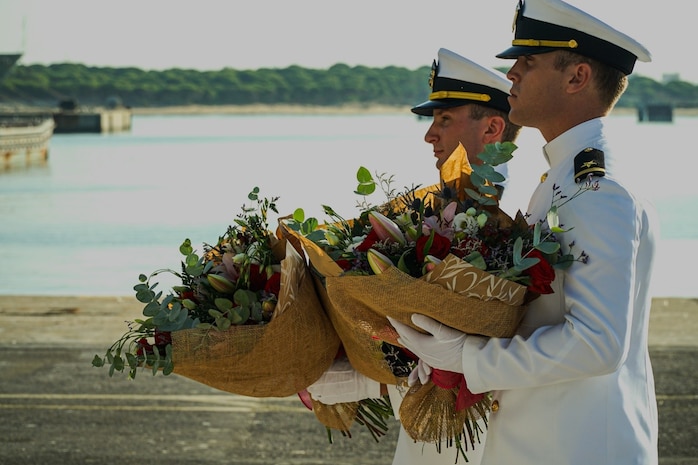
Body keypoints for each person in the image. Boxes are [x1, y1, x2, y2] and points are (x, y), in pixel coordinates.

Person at [389, 1, 658, 464]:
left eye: (528, 62)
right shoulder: (562, 183)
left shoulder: (596, 190)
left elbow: (597, 342)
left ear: (576, 78)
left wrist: (470, 361)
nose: (511, 73)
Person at [306, 47, 522, 465]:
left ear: (493, 127)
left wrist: (373, 384)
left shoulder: (514, 223)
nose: (429, 135)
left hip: (480, 441)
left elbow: (510, 347)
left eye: (444, 120)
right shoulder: (434, 209)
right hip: (427, 435)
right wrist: (358, 364)